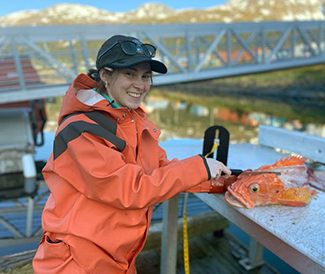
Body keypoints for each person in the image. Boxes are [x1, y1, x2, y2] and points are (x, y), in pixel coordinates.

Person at [32, 35, 234, 274]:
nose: (140, 85)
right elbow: (129, 189)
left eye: (146, 76)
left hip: (119, 257)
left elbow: (161, 170)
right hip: (77, 259)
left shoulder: (133, 119)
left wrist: (221, 182)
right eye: (130, 74)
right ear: (105, 75)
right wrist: (199, 168)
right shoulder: (80, 129)